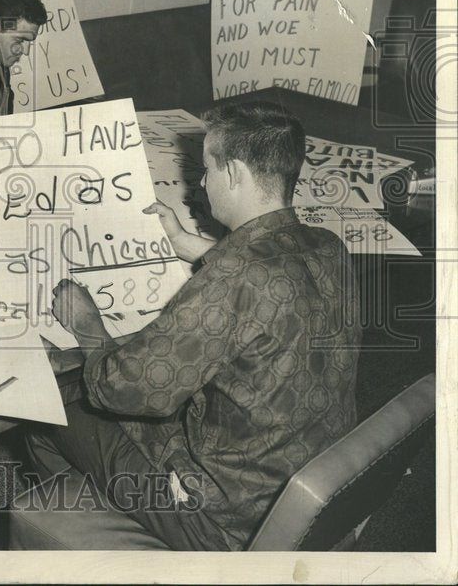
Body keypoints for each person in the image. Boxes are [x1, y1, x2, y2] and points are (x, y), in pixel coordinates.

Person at [23, 101, 361, 551]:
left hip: (225, 521)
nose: (201, 183)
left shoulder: (230, 279)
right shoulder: (328, 246)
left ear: (235, 173)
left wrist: (88, 324)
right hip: (311, 485)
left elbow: (123, 388)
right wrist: (191, 245)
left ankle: (81, 548)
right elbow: (271, 274)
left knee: (48, 408)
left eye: (207, 169)